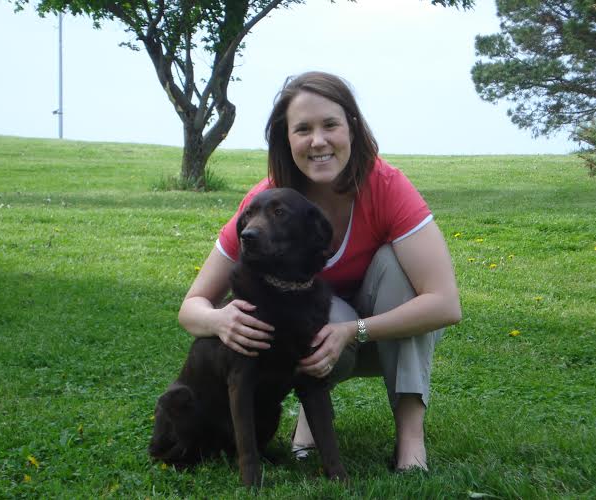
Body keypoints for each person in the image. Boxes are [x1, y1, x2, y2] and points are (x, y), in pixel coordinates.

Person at [178, 71, 461, 472]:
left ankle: (411, 439)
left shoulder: (386, 185)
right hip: (317, 335)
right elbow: (190, 306)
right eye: (302, 129)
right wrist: (218, 319)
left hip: (377, 331)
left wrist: (352, 331)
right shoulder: (265, 204)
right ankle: (309, 420)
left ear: (353, 128)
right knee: (317, 309)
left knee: (396, 270)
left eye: (330, 125)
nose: (318, 141)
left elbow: (446, 304)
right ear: (285, 139)